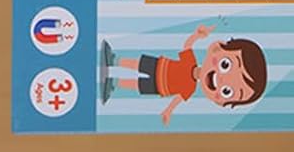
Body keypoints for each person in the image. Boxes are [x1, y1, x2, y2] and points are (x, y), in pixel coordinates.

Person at [100, 26, 267, 124]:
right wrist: (197, 35)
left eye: (227, 92)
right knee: (138, 64)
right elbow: (188, 45)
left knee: (137, 85)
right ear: (216, 47)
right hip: (160, 66)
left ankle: (114, 83)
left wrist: (168, 111)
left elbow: (178, 99)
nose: (222, 79)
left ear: (221, 103)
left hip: (160, 87)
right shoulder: (190, 61)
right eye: (225, 64)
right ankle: (114, 60)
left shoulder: (190, 89)